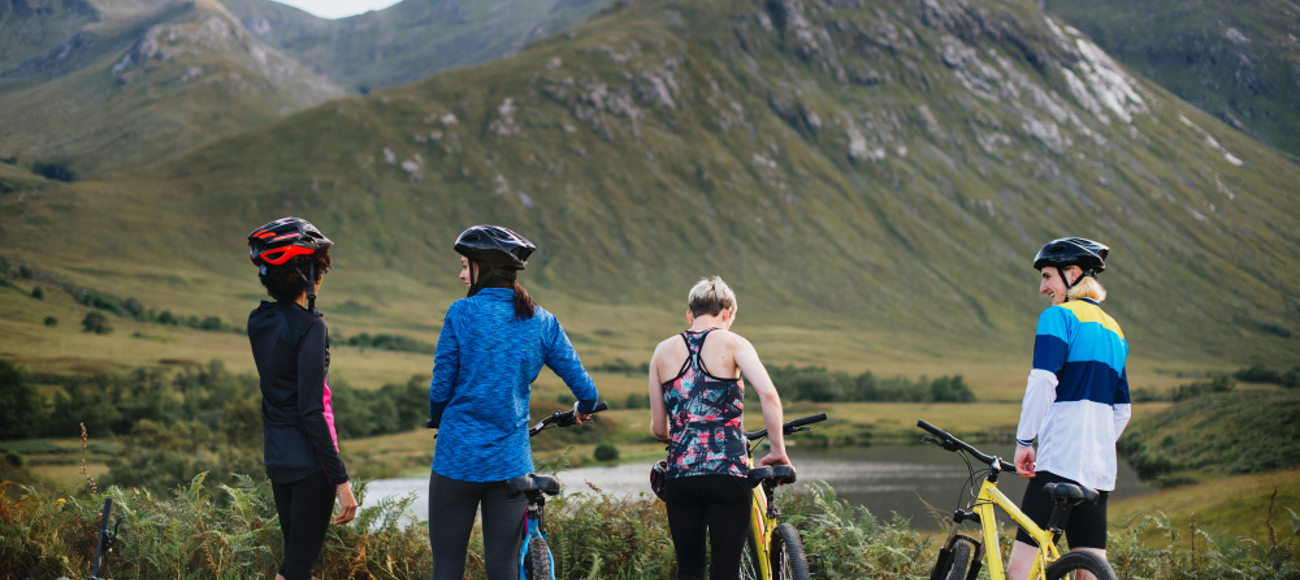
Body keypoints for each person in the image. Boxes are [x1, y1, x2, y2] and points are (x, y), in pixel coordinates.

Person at [427, 224, 600, 580]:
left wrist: (436, 417)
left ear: (483, 267)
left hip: (456, 459)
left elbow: (440, 389)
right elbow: (587, 390)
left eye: (465, 265)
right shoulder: (542, 320)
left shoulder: (460, 314)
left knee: (446, 567)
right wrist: (583, 407)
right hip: (511, 464)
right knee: (503, 569)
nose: (461, 274)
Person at [648, 276, 790, 580]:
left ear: (690, 314)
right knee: (725, 570)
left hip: (681, 475)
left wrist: (685, 435)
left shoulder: (661, 352)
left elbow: (660, 428)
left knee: (689, 569)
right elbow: (768, 394)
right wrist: (777, 450)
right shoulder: (734, 342)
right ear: (727, 312)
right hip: (727, 470)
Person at [1008, 238, 1129, 580]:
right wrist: (1096, 441)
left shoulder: (1058, 316)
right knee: (1089, 573)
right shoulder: (1115, 331)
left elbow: (1044, 381)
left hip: (1059, 460)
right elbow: (1123, 410)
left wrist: (1024, 442)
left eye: (1047, 276)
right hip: (1098, 468)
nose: (1042, 287)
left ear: (1072, 273)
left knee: (1020, 571)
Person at [246, 217, 358, 580]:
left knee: (295, 565)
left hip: (278, 460)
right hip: (312, 467)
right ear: (307, 274)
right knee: (296, 569)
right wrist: (341, 481)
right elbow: (311, 411)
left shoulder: (257, 320)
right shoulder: (312, 327)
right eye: (318, 268)